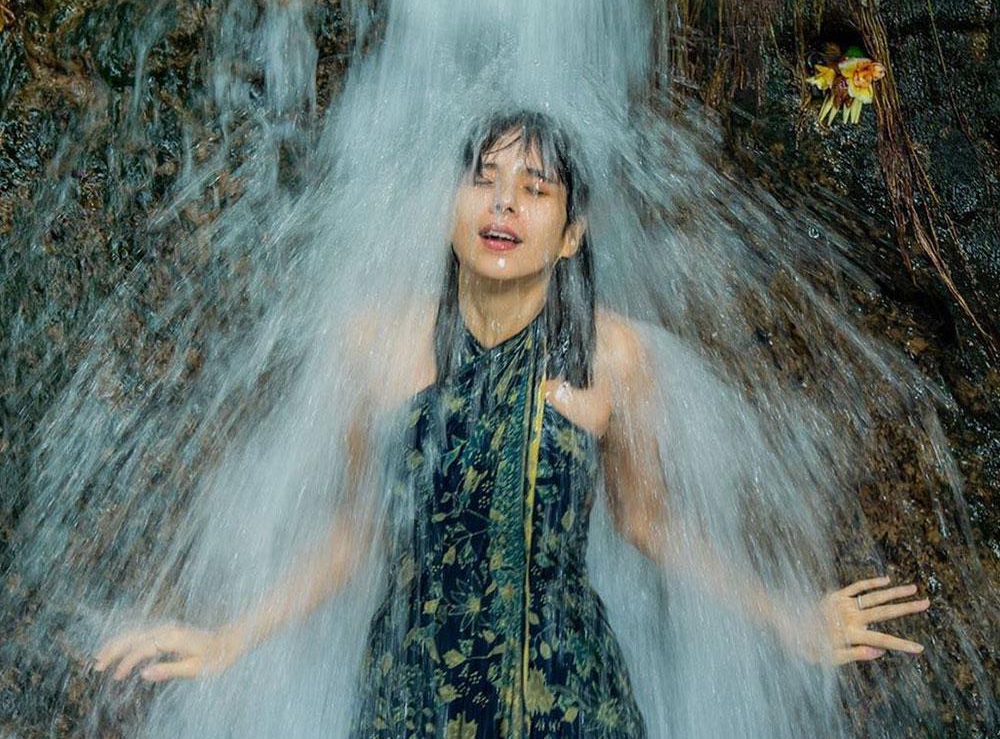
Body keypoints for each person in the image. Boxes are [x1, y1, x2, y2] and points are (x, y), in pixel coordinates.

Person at [93, 110, 931, 737]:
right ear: (451, 205)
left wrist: (791, 618)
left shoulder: (614, 357)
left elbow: (649, 523)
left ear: (570, 235)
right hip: (411, 699)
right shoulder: (371, 346)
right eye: (484, 180)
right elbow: (352, 536)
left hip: (569, 702)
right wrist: (225, 642)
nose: (504, 204)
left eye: (535, 190)